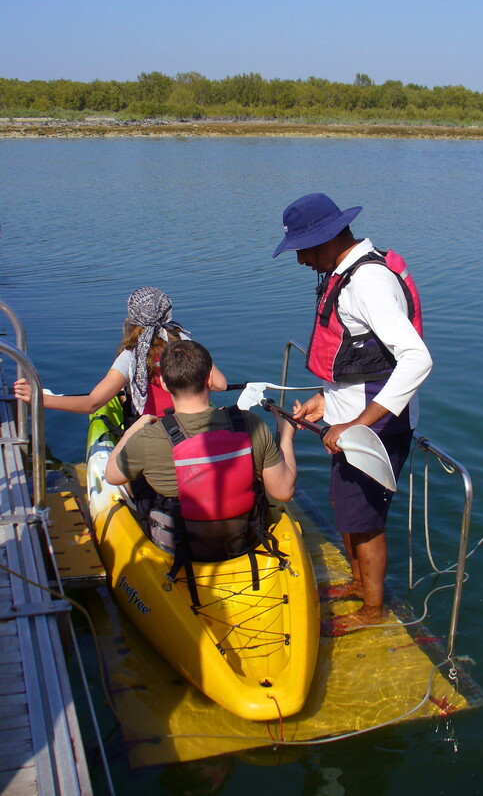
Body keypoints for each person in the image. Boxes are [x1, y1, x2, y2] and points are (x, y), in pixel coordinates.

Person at [273, 192, 432, 635]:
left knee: (365, 522)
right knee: (347, 511)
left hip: (376, 427)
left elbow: (417, 359)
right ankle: (359, 584)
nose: (301, 259)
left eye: (303, 248)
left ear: (327, 237)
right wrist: (325, 403)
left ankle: (373, 609)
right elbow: (362, 359)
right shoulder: (344, 274)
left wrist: (355, 424)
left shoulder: (367, 283)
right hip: (351, 420)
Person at [105, 339, 297, 567]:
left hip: (178, 545)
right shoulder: (250, 424)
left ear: (164, 383)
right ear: (208, 378)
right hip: (243, 538)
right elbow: (283, 491)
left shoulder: (148, 438)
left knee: (134, 482)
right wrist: (286, 436)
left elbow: (112, 476)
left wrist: (133, 429)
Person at [14, 286, 227, 419]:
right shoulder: (185, 341)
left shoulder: (131, 357)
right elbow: (220, 384)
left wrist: (41, 399)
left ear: (132, 319)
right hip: (194, 421)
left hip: (156, 429)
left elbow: (92, 403)